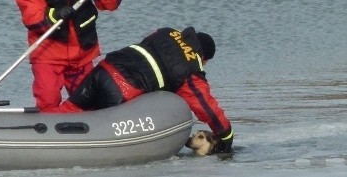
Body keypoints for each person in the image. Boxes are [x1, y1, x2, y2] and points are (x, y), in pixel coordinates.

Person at [57, 26, 233, 154]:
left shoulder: (166, 33)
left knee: (67, 112)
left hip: (103, 70)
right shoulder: (190, 69)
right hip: (121, 89)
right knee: (97, 134)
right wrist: (226, 136)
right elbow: (206, 107)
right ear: (203, 57)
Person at [15, 0, 123, 112]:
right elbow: (30, 15)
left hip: (82, 52)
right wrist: (55, 15)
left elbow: (109, 5)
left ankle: (88, 131)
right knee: (47, 99)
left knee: (88, 100)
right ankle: (48, 131)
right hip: (48, 53)